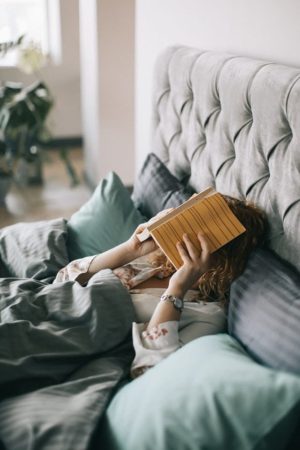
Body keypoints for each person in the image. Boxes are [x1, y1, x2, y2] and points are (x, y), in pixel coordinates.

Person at [54, 195, 268, 378]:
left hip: (68, 339)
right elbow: (64, 278)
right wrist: (130, 250)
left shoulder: (208, 314)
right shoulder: (154, 261)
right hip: (49, 305)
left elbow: (150, 369)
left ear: (223, 257)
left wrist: (177, 288)